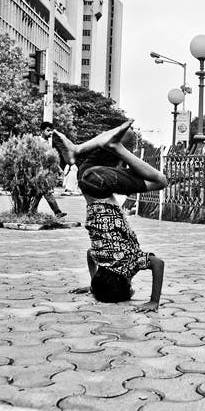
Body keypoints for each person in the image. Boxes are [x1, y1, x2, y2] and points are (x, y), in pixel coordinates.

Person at [53, 120, 166, 312]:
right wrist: (93, 285)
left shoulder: (129, 265)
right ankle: (77, 150)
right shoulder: (101, 257)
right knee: (128, 134)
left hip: (99, 182)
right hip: (86, 179)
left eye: (130, 289)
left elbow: (158, 263)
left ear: (125, 286)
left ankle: (113, 148)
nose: (132, 288)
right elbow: (90, 255)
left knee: (160, 181)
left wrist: (154, 301)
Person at [39, 122, 67, 218]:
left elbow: (51, 159)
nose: (50, 133)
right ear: (42, 131)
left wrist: (59, 169)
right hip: (38, 172)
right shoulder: (37, 141)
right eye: (48, 130)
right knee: (44, 192)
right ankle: (57, 212)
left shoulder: (47, 143)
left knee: (41, 193)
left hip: (45, 172)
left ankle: (31, 212)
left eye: (51, 130)